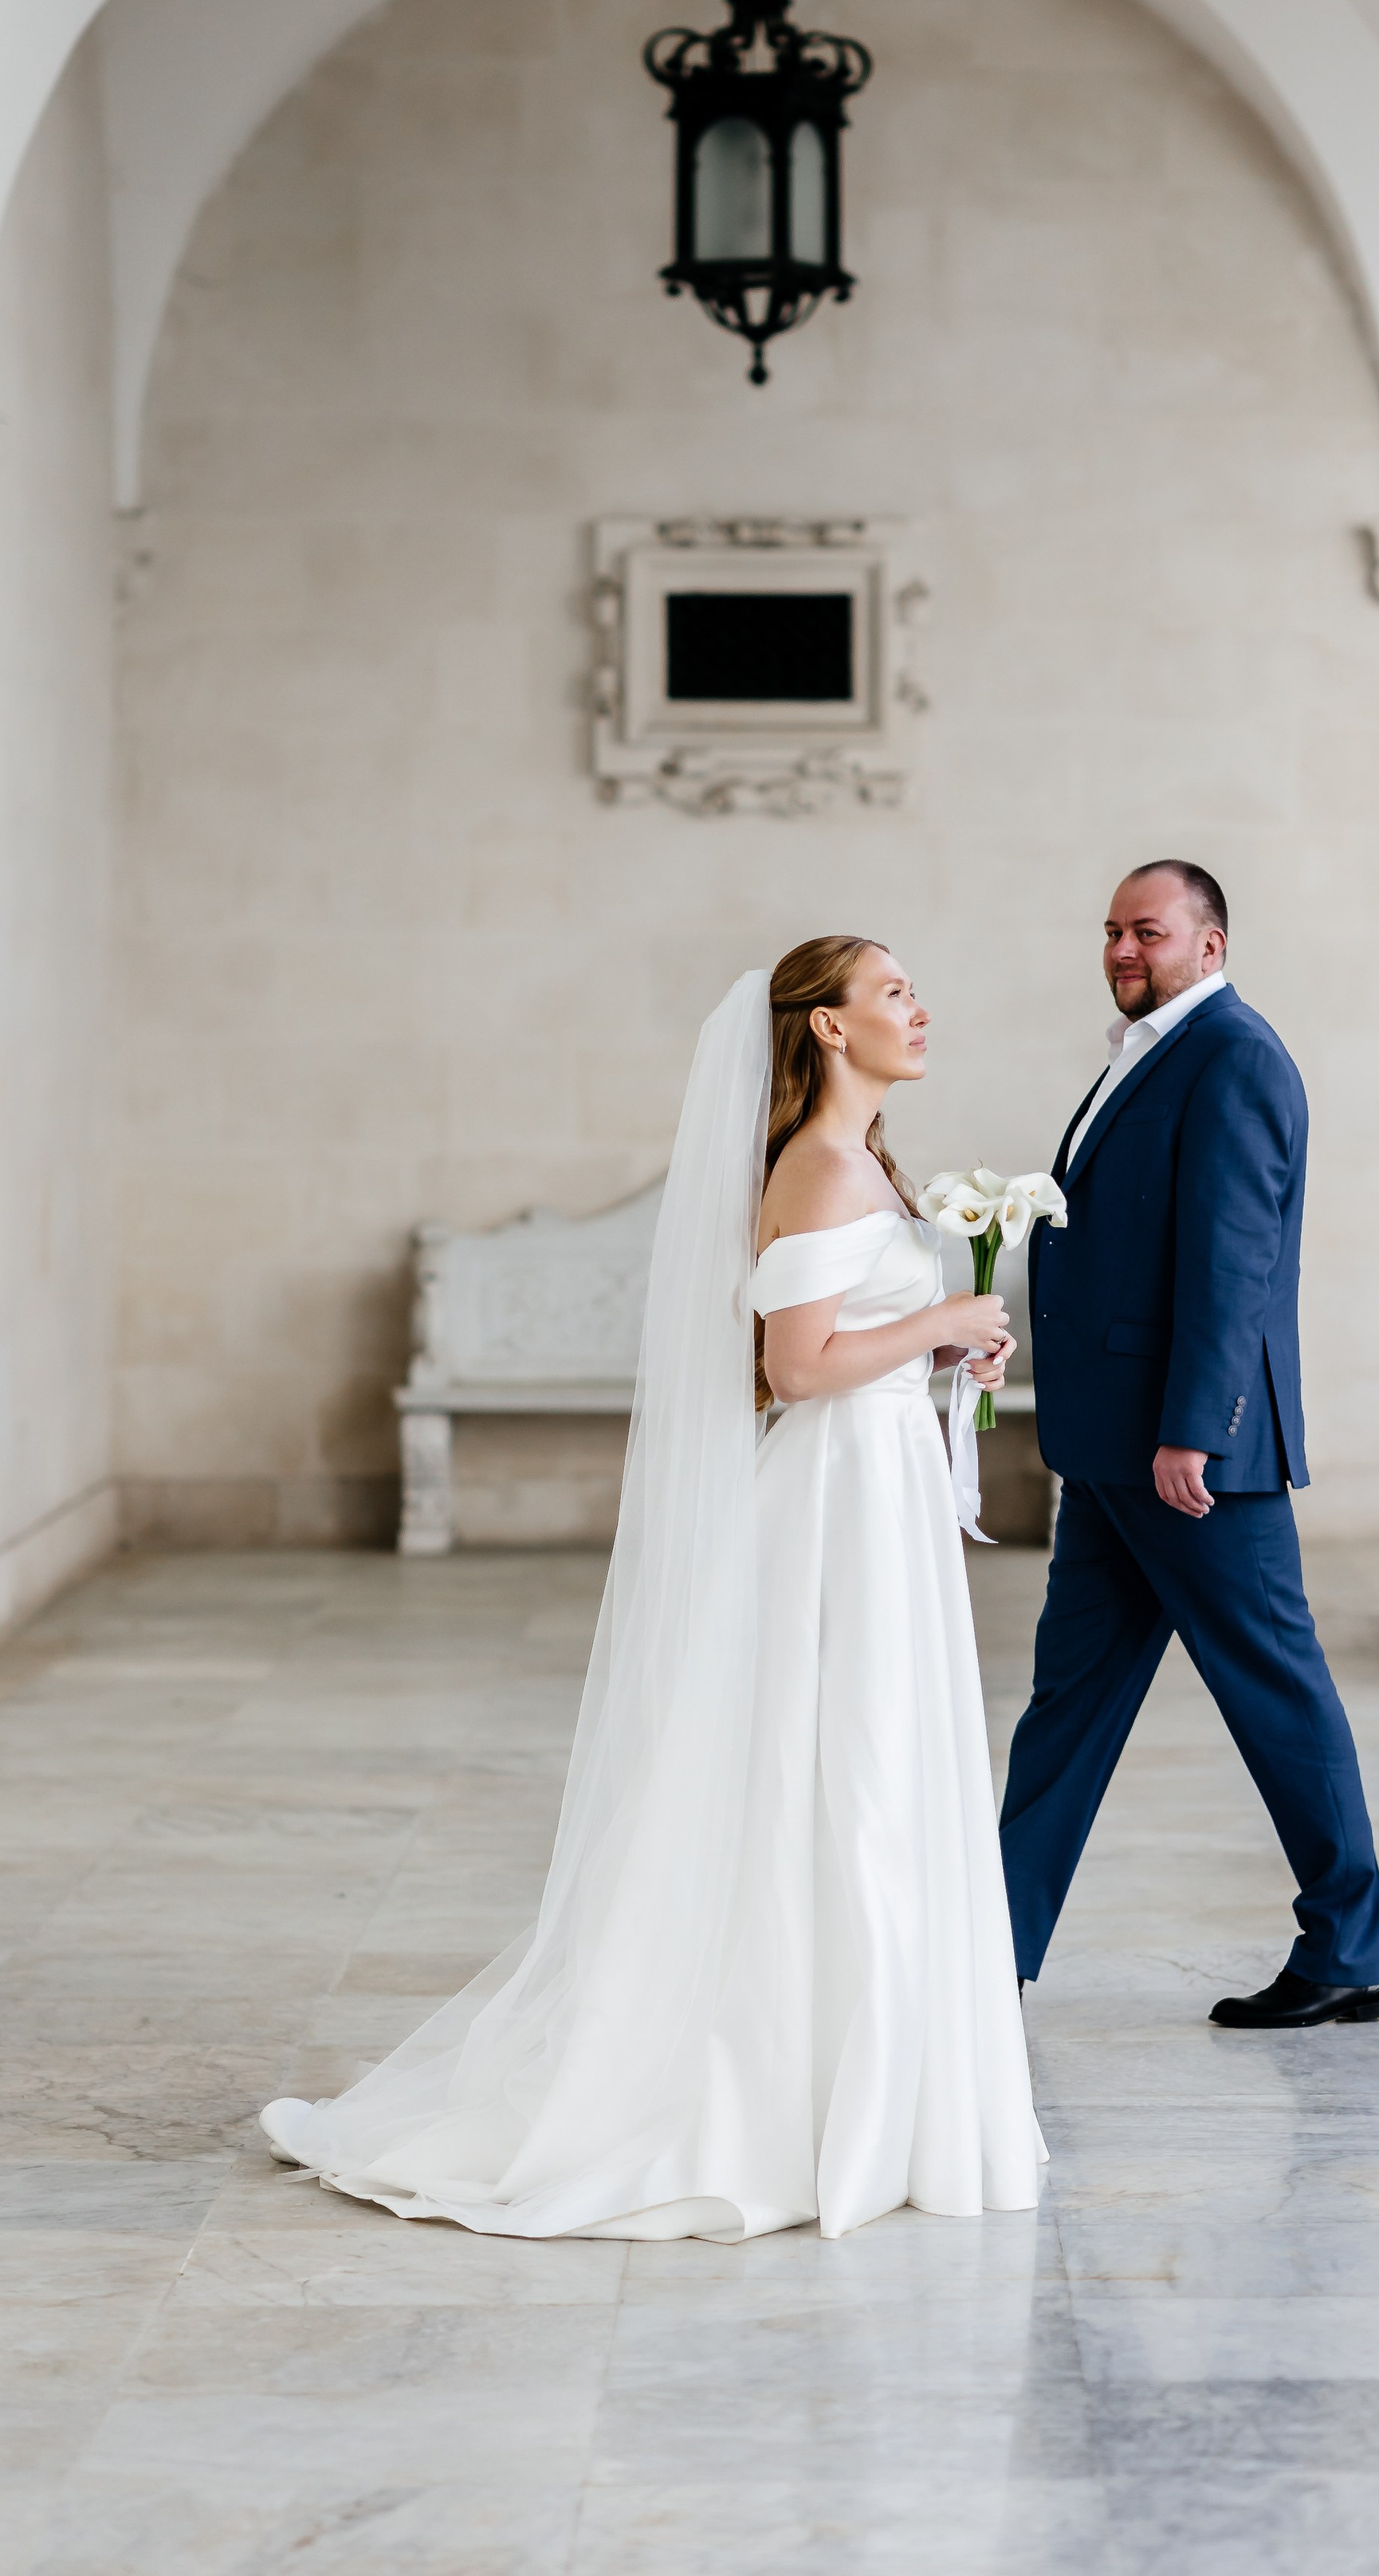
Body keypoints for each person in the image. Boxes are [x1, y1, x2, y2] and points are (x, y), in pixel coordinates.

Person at [261, 936, 1045, 2237]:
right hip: (836, 1506)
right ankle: (780, 2090)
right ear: (831, 1030)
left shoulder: (871, 1164)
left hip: (881, 1489)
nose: (920, 1008)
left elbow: (854, 1348)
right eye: (892, 992)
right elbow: (795, 1368)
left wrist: (948, 1357)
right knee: (831, 1770)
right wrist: (941, 1325)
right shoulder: (817, 1164)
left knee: (871, 1771)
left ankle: (876, 2078)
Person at [1000, 861, 1379, 2028]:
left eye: (1151, 932)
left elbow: (1235, 1266)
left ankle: (1352, 1950)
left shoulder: (1237, 1057)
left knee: (1275, 1691)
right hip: (1111, 1451)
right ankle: (992, 1946)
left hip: (1190, 1462)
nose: (1125, 949)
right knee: (1066, 1700)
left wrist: (1194, 1434)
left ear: (1210, 946)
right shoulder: (1152, 1049)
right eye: (1114, 930)